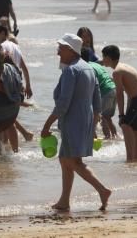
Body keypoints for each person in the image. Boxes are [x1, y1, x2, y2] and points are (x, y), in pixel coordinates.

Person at [40, 33, 112, 212]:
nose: (58, 52)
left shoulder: (71, 70)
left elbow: (63, 103)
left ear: (71, 50)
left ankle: (102, 190)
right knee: (66, 160)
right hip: (84, 120)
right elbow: (97, 102)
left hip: (73, 122)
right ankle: (64, 201)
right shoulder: (88, 68)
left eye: (61, 48)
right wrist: (93, 124)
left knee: (72, 161)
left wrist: (46, 125)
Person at [101, 45, 137, 163]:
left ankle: (130, 159)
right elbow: (129, 92)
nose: (102, 59)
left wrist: (121, 115)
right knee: (135, 130)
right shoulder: (123, 67)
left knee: (126, 126)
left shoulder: (117, 71)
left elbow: (119, 94)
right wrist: (126, 111)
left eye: (103, 57)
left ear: (108, 57)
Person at [83, 51, 118, 139]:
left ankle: (102, 137)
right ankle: (115, 137)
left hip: (105, 91)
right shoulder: (95, 65)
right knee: (107, 117)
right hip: (113, 89)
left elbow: (92, 86)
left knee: (100, 118)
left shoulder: (87, 68)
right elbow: (107, 77)